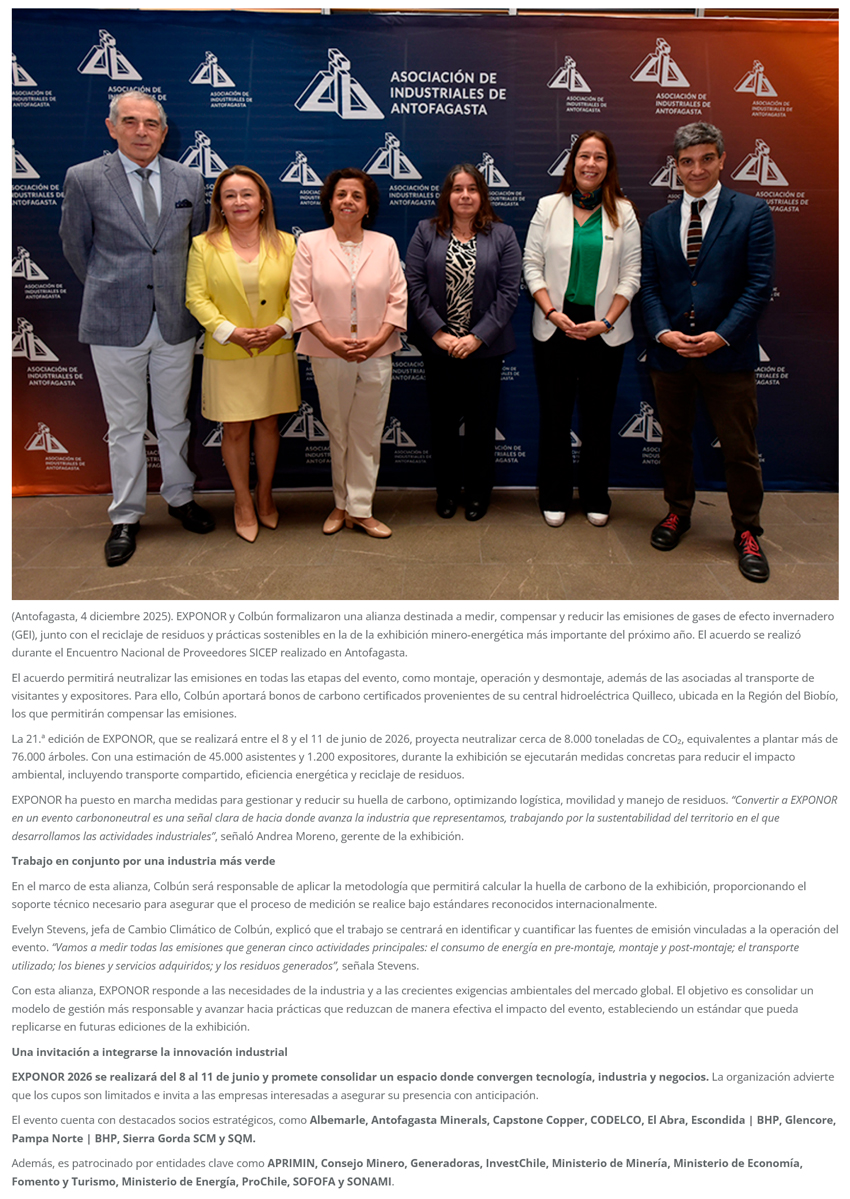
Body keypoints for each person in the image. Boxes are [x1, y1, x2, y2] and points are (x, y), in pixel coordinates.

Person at [59, 89, 214, 567]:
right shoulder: (85, 177)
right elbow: (75, 246)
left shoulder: (189, 178)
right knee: (125, 426)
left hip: (175, 321)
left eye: (151, 124)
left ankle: (180, 498)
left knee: (174, 420)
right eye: (130, 122)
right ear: (112, 127)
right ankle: (125, 516)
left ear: (164, 132)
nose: (141, 131)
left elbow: (198, 247)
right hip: (112, 321)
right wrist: (110, 289)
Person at [641, 121, 775, 583]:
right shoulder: (658, 222)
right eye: (687, 162)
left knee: (739, 449)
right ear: (676, 167)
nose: (696, 169)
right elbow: (650, 287)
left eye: (705, 159)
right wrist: (663, 333)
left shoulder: (752, 211)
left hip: (728, 356)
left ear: (721, 160)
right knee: (675, 442)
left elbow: (759, 285)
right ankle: (678, 512)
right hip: (671, 356)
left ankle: (747, 531)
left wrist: (723, 335)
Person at [523, 130, 641, 529]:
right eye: (584, 156)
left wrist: (606, 321)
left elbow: (631, 275)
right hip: (555, 324)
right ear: (572, 163)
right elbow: (531, 265)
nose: (591, 164)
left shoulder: (623, 212)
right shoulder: (549, 206)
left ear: (609, 165)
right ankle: (554, 495)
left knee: (598, 417)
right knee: (555, 416)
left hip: (604, 329)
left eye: (599, 157)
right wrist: (551, 312)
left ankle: (595, 495)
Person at [289, 168, 406, 539]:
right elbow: (300, 298)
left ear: (368, 206)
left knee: (367, 433)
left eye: (357, 196)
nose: (348, 202)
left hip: (376, 352)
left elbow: (398, 298)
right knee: (338, 430)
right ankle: (340, 505)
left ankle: (361, 510)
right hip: (328, 352)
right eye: (341, 195)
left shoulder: (385, 244)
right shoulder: (309, 243)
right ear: (329, 202)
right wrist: (329, 341)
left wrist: (377, 340)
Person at [185, 167, 300, 542]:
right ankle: (242, 502)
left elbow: (299, 295)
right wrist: (229, 332)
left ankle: (264, 495)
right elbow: (196, 298)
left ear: (262, 201)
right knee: (234, 429)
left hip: (274, 348)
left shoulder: (287, 244)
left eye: (247, 194)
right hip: (227, 351)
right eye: (230, 195)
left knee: (267, 424)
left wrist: (281, 327)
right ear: (219, 204)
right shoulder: (203, 245)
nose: (239, 202)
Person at [405, 163, 521, 520]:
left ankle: (477, 494)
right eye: (458, 189)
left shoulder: (503, 235)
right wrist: (438, 333)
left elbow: (508, 293)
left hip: (484, 350)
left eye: (472, 189)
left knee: (482, 427)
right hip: (439, 348)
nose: (465, 195)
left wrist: (477, 337)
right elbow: (414, 286)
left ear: (482, 195)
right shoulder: (426, 232)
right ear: (448, 195)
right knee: (442, 426)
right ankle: (447, 492)